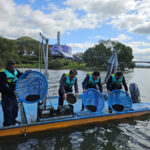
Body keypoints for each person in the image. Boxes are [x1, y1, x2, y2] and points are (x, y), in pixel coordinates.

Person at [0, 60, 22, 126]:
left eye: (14, 67)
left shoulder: (15, 70)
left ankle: (13, 120)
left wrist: (27, 73)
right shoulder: (2, 73)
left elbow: (20, 75)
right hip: (6, 94)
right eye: (12, 67)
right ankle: (7, 124)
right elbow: (3, 86)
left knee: (15, 108)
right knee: (7, 109)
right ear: (8, 66)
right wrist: (12, 91)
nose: (14, 68)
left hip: (14, 94)